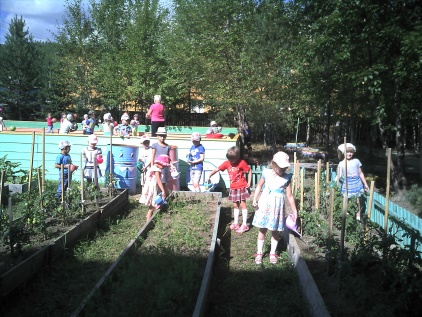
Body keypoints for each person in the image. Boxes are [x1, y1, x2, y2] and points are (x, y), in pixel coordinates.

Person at [252, 151, 298, 264]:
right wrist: (255, 198)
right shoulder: (267, 173)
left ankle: (272, 253)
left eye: (284, 168)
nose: (282, 170)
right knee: (262, 229)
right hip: (265, 205)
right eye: (280, 168)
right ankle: (259, 252)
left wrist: (295, 211)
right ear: (274, 164)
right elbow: (259, 186)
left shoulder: (286, 178)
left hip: (277, 209)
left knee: (275, 230)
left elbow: (289, 196)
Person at [207, 146, 252, 233]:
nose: (230, 162)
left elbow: (249, 170)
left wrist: (249, 182)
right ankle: (236, 223)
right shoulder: (227, 163)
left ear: (237, 157)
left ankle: (245, 224)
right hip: (233, 188)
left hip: (242, 187)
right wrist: (209, 175)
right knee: (235, 205)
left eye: (232, 160)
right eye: (229, 159)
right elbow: (217, 169)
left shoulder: (241, 162)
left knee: (243, 204)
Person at [335, 143, 369, 220]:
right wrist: (333, 183)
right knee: (346, 200)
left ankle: (358, 217)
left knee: (358, 201)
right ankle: (347, 217)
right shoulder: (342, 164)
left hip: (357, 183)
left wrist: (365, 184)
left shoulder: (356, 161)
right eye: (347, 152)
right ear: (344, 153)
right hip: (347, 184)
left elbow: (360, 173)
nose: (349, 154)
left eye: (351, 152)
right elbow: (339, 175)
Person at [139, 154, 170, 221]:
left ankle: (148, 216)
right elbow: (159, 181)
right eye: (163, 165)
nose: (164, 167)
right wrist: (163, 191)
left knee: (152, 204)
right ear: (159, 163)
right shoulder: (157, 170)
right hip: (152, 189)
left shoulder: (152, 167)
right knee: (152, 207)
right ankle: (148, 222)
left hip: (149, 187)